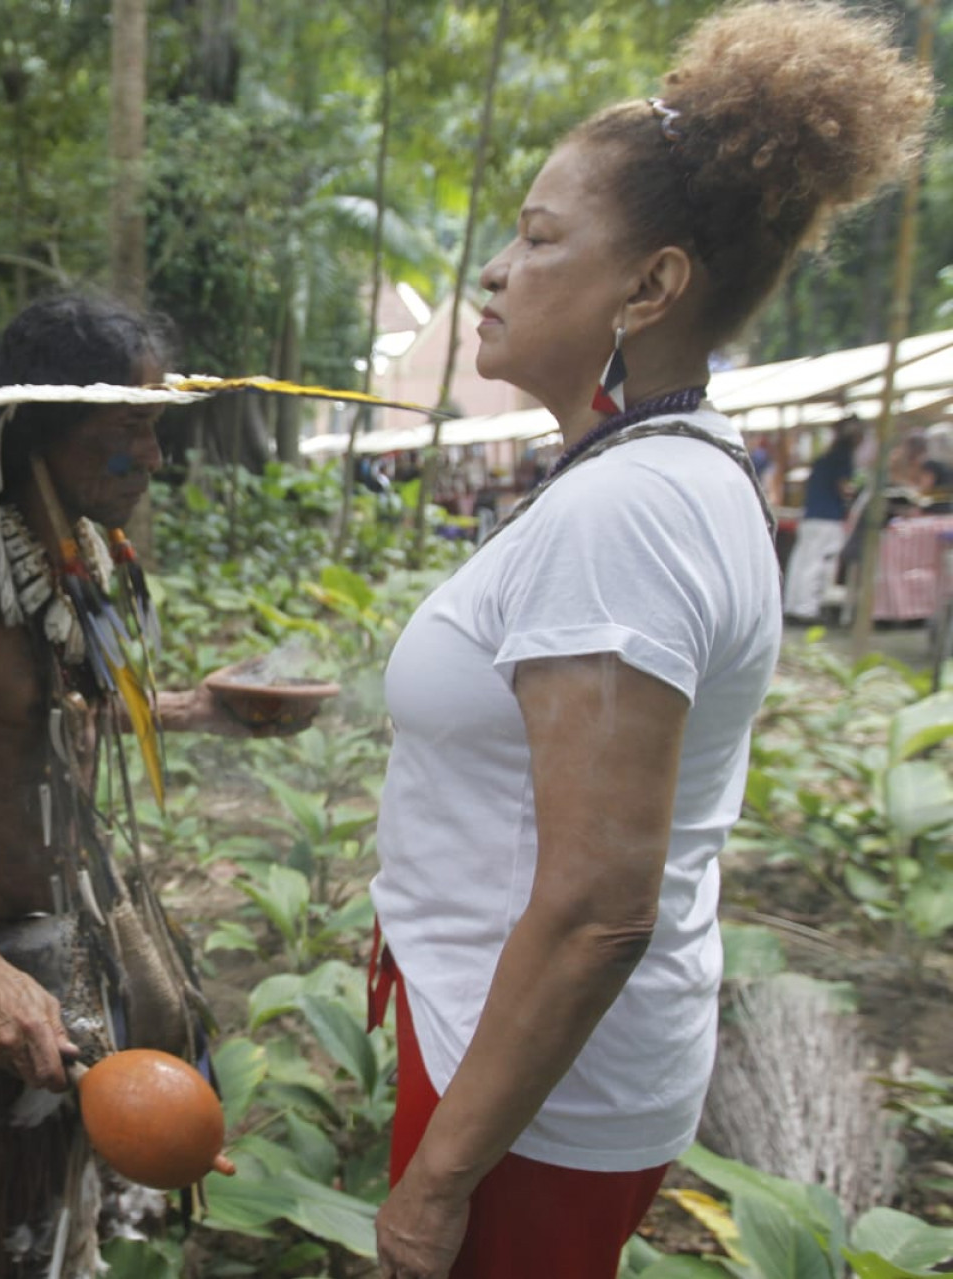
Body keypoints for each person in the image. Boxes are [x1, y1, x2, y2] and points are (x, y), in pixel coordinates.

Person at [367, 7, 933, 1278]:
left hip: (527, 1106)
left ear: (653, 285)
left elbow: (595, 911)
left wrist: (438, 1182)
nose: (497, 272)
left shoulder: (626, 511)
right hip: (519, 1061)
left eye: (538, 236)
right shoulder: (652, 473)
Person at [0, 294, 297, 1279]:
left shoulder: (78, 550)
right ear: (41, 429)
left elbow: (33, 716)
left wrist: (202, 707)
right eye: (132, 429)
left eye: (158, 426)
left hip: (81, 938)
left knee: (72, 1226)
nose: (155, 457)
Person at [783, 418, 863, 622]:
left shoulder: (824, 458)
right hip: (827, 520)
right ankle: (806, 609)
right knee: (818, 565)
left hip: (811, 518)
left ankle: (793, 605)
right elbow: (844, 488)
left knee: (802, 563)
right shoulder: (842, 458)